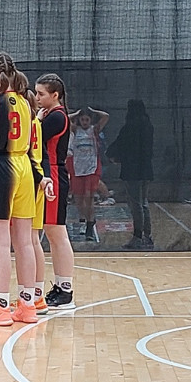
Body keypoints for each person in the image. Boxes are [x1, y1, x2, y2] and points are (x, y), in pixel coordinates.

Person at [0, 52, 52, 329]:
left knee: (0, 243)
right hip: (25, 167)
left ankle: (2, 307)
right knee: (25, 242)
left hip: (0, 167)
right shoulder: (27, 103)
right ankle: (27, 305)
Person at [34, 73, 76, 309]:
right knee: (52, 233)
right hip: (49, 175)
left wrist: (36, 120)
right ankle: (60, 286)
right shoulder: (51, 115)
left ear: (55, 95)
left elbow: (34, 137)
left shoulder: (57, 117)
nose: (37, 98)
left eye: (41, 94)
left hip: (54, 177)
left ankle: (66, 289)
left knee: (57, 233)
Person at [108, 99, 155, 249]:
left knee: (136, 204)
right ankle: (147, 236)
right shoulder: (149, 126)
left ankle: (138, 236)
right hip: (146, 169)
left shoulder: (129, 127)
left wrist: (113, 155)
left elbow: (120, 145)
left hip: (132, 170)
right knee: (144, 203)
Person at [67, 106, 108, 242]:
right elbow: (66, 119)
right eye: (82, 119)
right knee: (78, 199)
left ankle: (90, 224)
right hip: (77, 167)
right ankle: (84, 219)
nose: (84, 122)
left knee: (89, 198)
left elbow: (106, 116)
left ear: (90, 120)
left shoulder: (94, 130)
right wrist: (76, 114)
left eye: (87, 120)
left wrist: (94, 111)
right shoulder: (75, 130)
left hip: (92, 167)